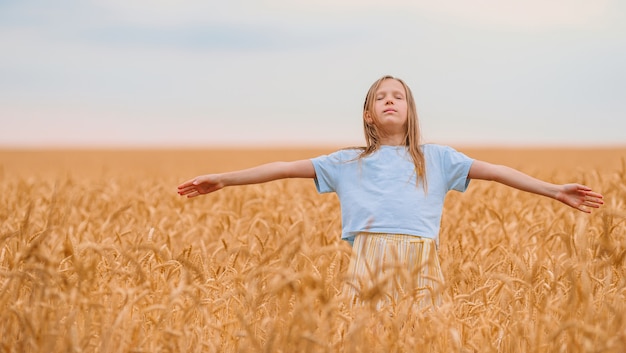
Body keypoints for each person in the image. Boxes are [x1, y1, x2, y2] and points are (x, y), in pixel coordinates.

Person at [177, 75, 604, 309]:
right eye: (380, 97)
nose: (389, 100)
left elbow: (497, 172)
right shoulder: (347, 162)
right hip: (368, 263)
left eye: (398, 96)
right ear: (368, 114)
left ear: (410, 110)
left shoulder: (437, 159)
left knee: (425, 335)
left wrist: (553, 190)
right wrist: (224, 178)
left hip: (422, 263)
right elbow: (284, 168)